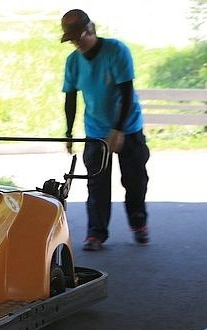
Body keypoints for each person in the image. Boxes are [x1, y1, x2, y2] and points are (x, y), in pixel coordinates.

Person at [60, 9, 150, 251]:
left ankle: (139, 223)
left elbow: (126, 92)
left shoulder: (116, 51)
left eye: (79, 37)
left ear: (92, 30)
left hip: (128, 126)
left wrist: (118, 130)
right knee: (97, 183)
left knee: (134, 180)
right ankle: (96, 233)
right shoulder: (73, 61)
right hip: (95, 130)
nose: (76, 43)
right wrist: (69, 133)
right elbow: (70, 99)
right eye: (71, 39)